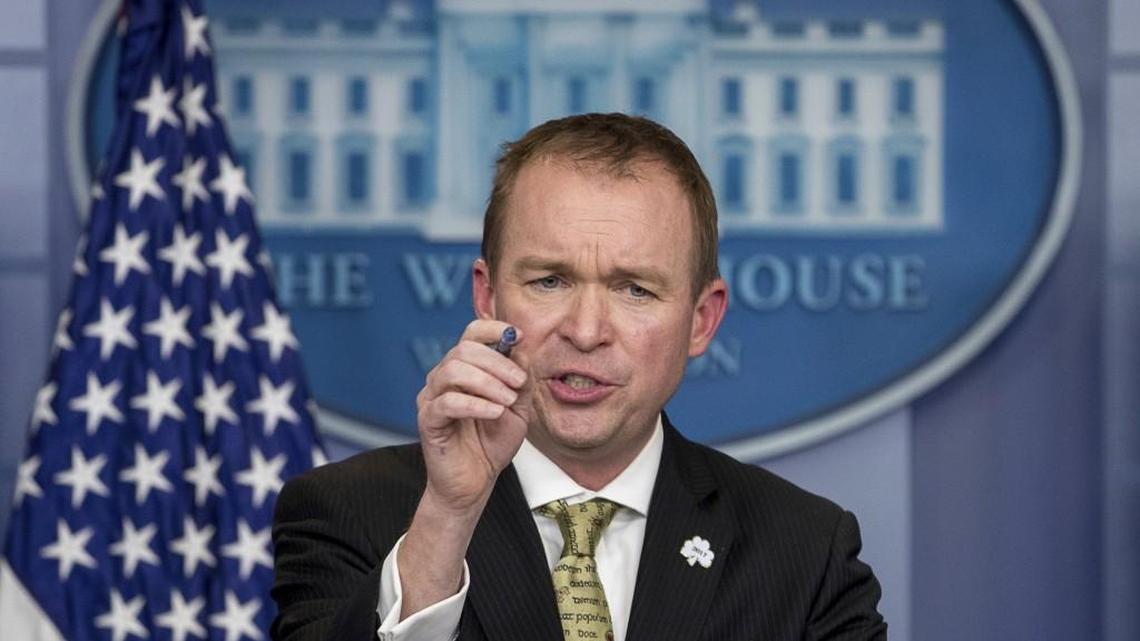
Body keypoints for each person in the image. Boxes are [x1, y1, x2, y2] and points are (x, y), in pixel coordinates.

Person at [271, 113, 887, 641]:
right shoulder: (346, 513)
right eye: (549, 281)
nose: (587, 330)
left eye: (635, 289)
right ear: (487, 297)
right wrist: (448, 516)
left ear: (702, 320)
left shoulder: (805, 551)